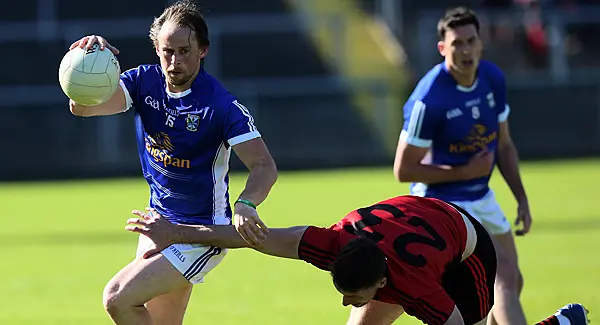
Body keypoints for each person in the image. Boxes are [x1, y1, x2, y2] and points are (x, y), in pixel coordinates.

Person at [67, 1, 278, 324]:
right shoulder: (142, 83)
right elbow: (82, 107)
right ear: (156, 48)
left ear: (203, 50)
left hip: (201, 233)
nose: (174, 61)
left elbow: (264, 164)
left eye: (184, 51)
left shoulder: (221, 107)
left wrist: (246, 204)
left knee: (117, 298)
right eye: (167, 51)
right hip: (157, 224)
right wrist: (90, 64)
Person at [124, 195, 589, 325]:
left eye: (355, 296)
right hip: (417, 227)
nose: (349, 303)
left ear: (383, 284)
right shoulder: (332, 242)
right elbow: (254, 238)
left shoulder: (413, 285)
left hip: (469, 252)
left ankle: (562, 322)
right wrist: (175, 232)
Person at [393, 7, 531, 325]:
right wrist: (462, 173)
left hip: (481, 196)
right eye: (457, 44)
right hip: (443, 206)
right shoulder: (428, 100)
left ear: (481, 42)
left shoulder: (493, 79)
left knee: (510, 283)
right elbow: (403, 170)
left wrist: (521, 198)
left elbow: (505, 145)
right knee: (503, 277)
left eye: (471, 41)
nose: (466, 50)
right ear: (443, 48)